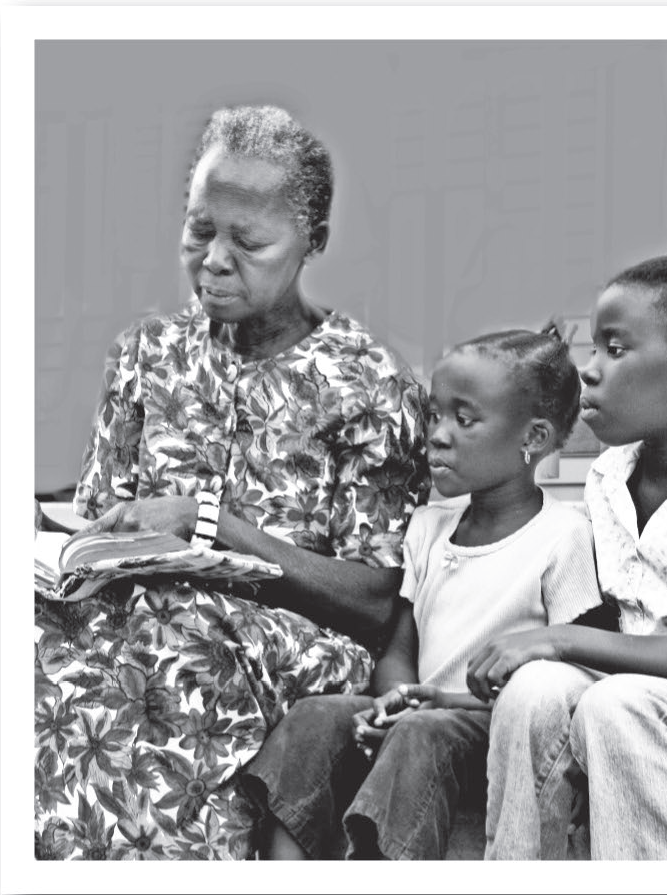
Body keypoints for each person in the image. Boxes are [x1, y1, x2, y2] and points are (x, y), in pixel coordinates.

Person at [33, 105, 430, 861]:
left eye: (247, 242)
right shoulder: (145, 353)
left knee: (171, 645)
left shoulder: (369, 383)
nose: (214, 259)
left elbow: (373, 604)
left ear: (313, 241)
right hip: (138, 606)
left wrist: (211, 523)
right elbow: (91, 525)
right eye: (198, 230)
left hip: (287, 635)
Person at [238, 326, 605, 860]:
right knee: (316, 717)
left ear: (534, 438)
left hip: (487, 726)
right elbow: (400, 647)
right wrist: (393, 699)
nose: (436, 434)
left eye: (465, 419)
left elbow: (576, 679)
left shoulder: (563, 535)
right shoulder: (428, 527)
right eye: (434, 415)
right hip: (418, 714)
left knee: (422, 736)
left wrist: (437, 706)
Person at [468, 255, 667, 860]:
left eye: (616, 349)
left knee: (618, 703)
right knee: (535, 689)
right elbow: (607, 625)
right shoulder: (608, 477)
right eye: (592, 349)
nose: (591, 372)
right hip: (631, 699)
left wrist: (560, 641)